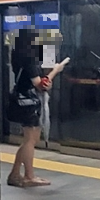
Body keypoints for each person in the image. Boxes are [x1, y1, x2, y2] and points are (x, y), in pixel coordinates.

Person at [6, 30, 67, 188]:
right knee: (30, 140)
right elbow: (40, 85)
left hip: (23, 100)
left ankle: (15, 174)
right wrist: (56, 70)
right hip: (29, 103)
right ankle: (29, 176)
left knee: (29, 140)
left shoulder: (19, 58)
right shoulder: (29, 61)